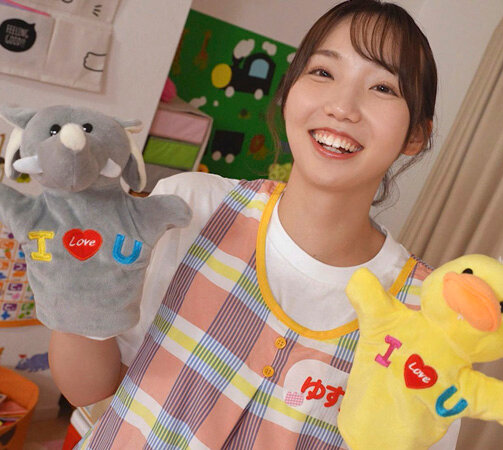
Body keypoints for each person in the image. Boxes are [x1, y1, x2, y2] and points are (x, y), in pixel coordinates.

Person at [50, 0, 458, 447]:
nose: (342, 106)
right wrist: (79, 282)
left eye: (382, 87)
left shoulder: (430, 317)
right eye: (323, 72)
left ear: (415, 135)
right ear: (288, 92)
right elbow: (91, 391)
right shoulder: (188, 207)